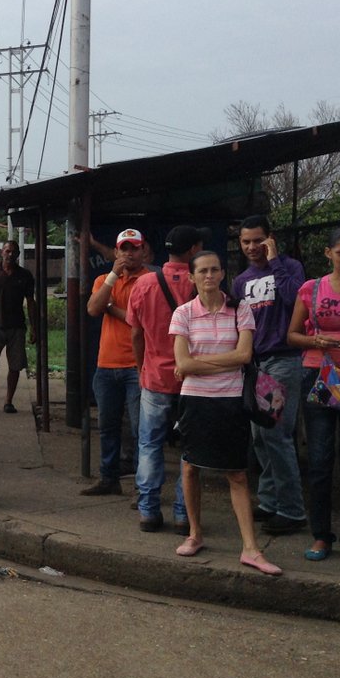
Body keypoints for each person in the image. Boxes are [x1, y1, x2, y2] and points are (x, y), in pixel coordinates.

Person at [170, 250, 281, 575]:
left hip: (232, 400)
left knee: (236, 473)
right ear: (191, 277)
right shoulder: (183, 313)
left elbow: (245, 355)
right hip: (195, 401)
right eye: (202, 271)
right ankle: (195, 534)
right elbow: (182, 363)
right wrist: (224, 359)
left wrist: (197, 364)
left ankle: (251, 548)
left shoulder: (240, 310)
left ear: (222, 274)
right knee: (190, 468)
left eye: (214, 270)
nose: (208, 276)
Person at [127, 225, 205, 533]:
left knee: (149, 444)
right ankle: (183, 515)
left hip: (155, 378)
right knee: (191, 447)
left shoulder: (145, 283)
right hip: (193, 379)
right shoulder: (199, 283)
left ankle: (148, 511)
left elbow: (135, 332)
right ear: (193, 251)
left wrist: (140, 367)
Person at [232, 214, 308, 535]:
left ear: (270, 239)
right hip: (256, 364)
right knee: (260, 437)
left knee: (276, 435)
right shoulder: (240, 281)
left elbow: (295, 299)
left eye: (258, 240)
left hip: (284, 360)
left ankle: (292, 510)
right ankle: (270, 500)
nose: (252, 247)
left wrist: (275, 261)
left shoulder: (291, 268)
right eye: (246, 241)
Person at [286, 226, 340, 566]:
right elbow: (293, 335)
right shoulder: (311, 289)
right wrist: (318, 341)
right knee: (319, 459)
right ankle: (320, 534)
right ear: (328, 254)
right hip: (319, 376)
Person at [81, 229, 149, 495]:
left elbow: (139, 320)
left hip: (137, 365)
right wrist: (112, 275)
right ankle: (108, 478)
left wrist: (113, 308)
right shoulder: (103, 279)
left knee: (140, 429)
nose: (129, 254)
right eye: (124, 249)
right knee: (107, 426)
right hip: (107, 365)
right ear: (116, 252)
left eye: (134, 248)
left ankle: (143, 487)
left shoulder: (150, 280)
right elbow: (93, 308)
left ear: (143, 251)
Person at [0, 240, 38, 414]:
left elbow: (30, 302)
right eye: (7, 251)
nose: (10, 255)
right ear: (2, 252)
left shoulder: (25, 275)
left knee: (15, 366)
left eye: (14, 252)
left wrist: (34, 327)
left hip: (16, 327)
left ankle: (8, 401)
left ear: (18, 255)